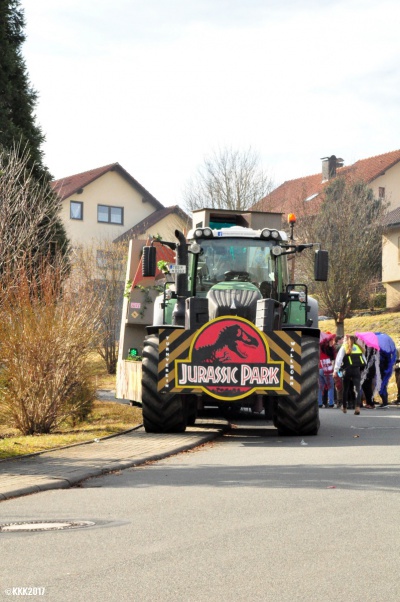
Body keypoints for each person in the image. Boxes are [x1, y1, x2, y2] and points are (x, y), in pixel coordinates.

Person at [333, 335, 366, 415]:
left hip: (346, 370)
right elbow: (364, 360)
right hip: (356, 370)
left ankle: (344, 407)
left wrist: (335, 370)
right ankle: (357, 407)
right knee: (357, 389)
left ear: (346, 340)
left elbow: (339, 359)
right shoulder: (358, 347)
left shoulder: (344, 347)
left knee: (346, 389)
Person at [360, 345, 381, 409]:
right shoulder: (372, 350)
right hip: (370, 370)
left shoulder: (371, 351)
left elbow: (367, 361)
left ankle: (370, 403)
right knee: (366, 386)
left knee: (367, 386)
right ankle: (369, 402)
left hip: (369, 370)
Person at [318, 336, 335, 408]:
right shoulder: (329, 350)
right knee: (330, 387)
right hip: (327, 369)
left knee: (320, 387)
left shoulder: (319, 349)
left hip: (319, 369)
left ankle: (319, 403)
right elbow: (333, 357)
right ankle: (331, 402)